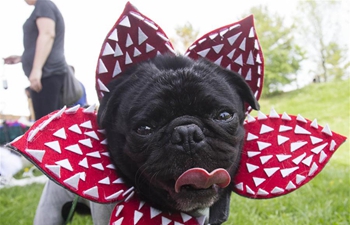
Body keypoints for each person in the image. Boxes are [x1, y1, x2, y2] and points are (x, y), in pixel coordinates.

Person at [3, 0, 68, 120]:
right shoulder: (43, 6)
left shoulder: (43, 4)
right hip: (46, 74)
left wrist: (37, 69)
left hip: (47, 74)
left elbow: (47, 34)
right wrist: (22, 58)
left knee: (46, 124)